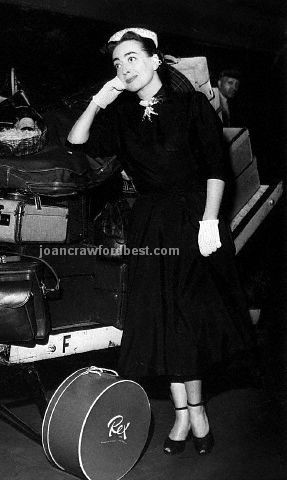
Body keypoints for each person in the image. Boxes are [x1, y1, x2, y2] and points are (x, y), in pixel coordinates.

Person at [67, 27, 252, 456]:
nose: (124, 67)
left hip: (194, 218)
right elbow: (77, 141)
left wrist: (209, 222)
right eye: (117, 63)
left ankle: (197, 410)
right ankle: (182, 414)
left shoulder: (191, 106)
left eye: (132, 58)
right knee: (160, 316)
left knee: (186, 316)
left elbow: (215, 169)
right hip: (150, 222)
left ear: (155, 61)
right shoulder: (123, 115)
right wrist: (101, 97)